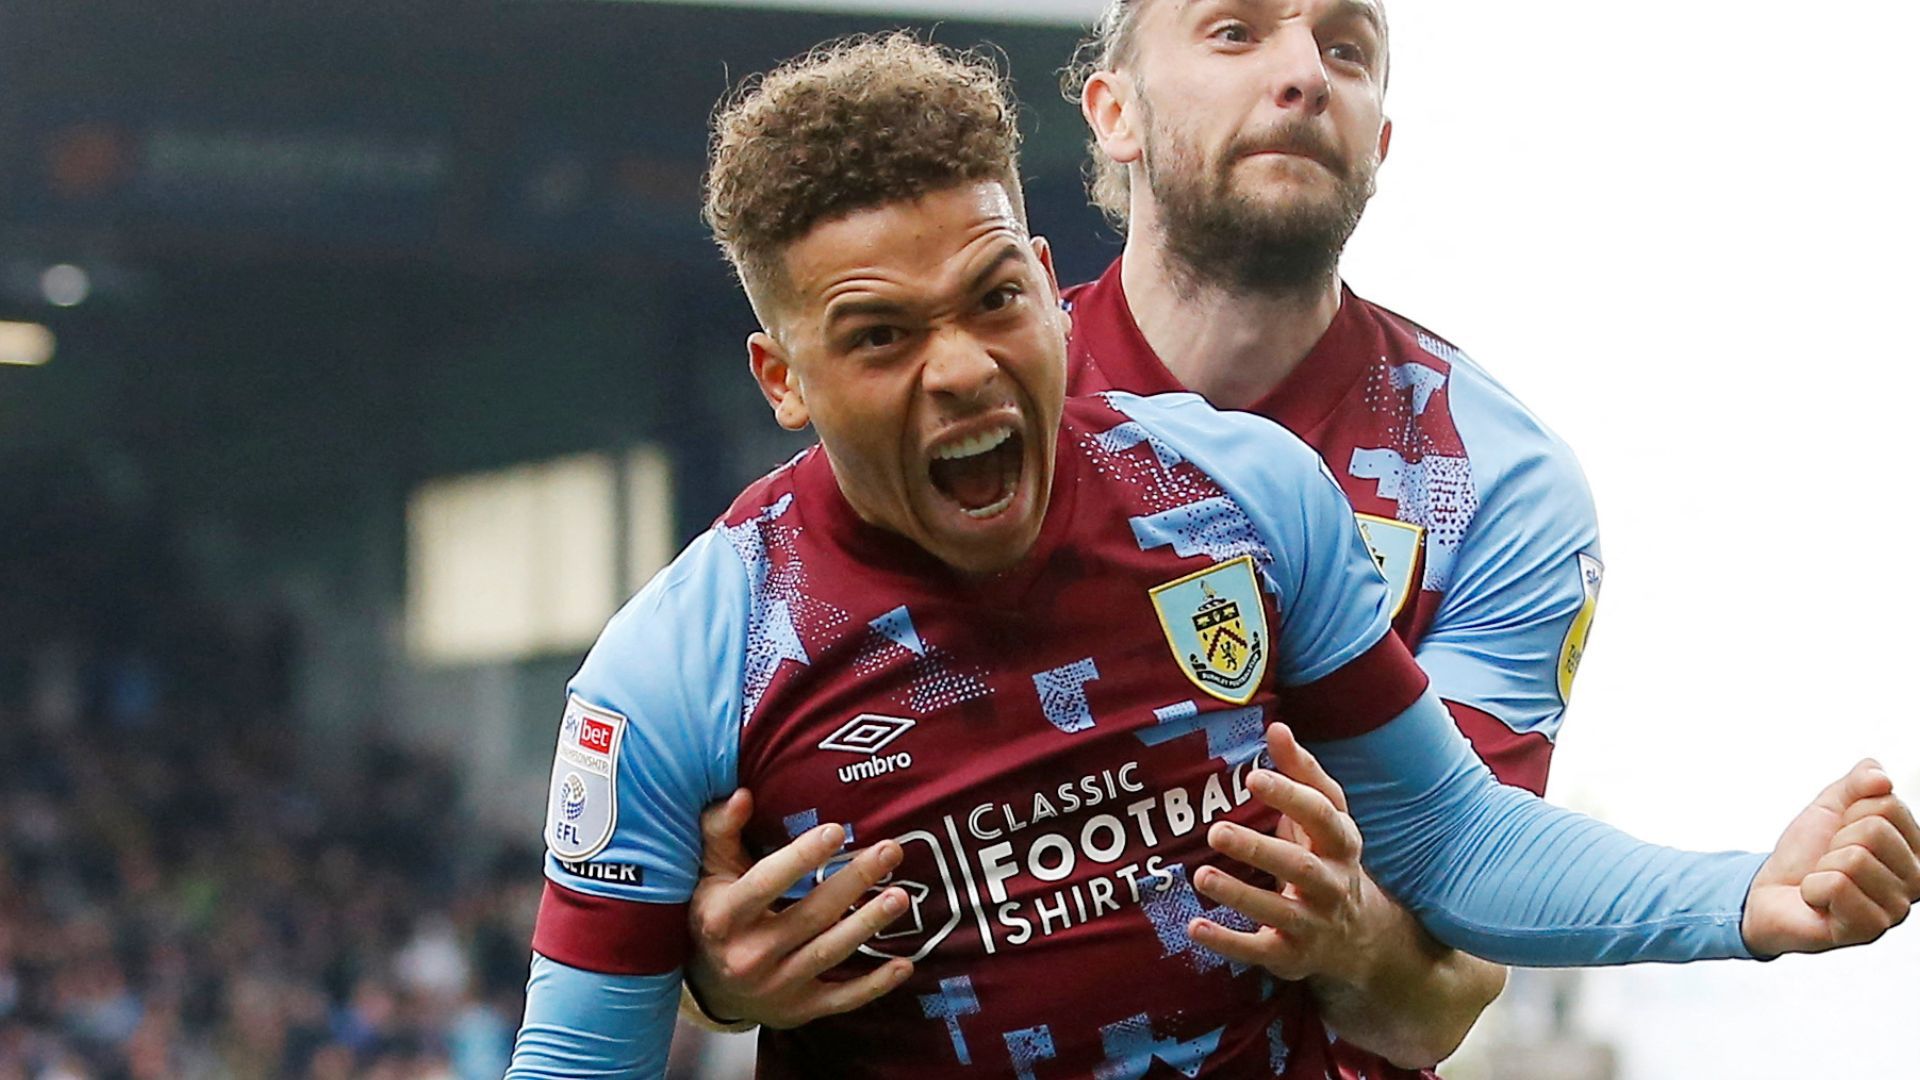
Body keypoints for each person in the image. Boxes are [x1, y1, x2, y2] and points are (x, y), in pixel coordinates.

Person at [505, 34, 1920, 1080]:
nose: (961, 370)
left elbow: (1452, 841)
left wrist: (1743, 897)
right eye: (880, 335)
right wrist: (695, 973)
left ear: (1045, 283)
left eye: (998, 297)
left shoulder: (1242, 494)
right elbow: (579, 1065)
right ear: (782, 376)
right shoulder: (678, 669)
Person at [681, 1, 1572, 1072]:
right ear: (1112, 109)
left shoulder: (1492, 482)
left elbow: (1443, 991)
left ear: (1381, 141)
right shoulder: (953, 381)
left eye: (1346, 47)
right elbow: (710, 899)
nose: (1303, 75)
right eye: (1235, 31)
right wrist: (706, 974)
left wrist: (1347, 935)